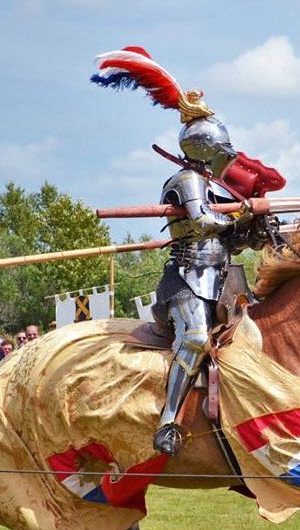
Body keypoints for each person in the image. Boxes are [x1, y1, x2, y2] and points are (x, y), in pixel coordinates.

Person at [92, 47, 273, 456]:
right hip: (187, 281)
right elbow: (206, 224)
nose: (227, 155)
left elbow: (229, 240)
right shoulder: (187, 181)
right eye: (221, 148)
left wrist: (255, 225)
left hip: (222, 279)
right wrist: (242, 214)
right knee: (192, 338)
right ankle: (168, 422)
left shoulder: (214, 186)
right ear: (205, 149)